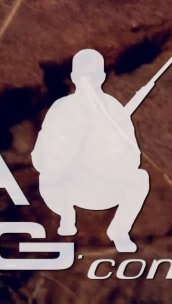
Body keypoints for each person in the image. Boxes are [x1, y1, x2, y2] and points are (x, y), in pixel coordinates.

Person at [33, 48, 154, 254]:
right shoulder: (61, 108)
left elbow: (133, 157)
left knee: (140, 178)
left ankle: (119, 230)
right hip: (68, 188)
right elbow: (40, 154)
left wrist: (109, 147)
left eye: (93, 76)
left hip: (104, 185)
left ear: (102, 77)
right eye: (83, 76)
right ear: (73, 78)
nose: (88, 81)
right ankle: (66, 216)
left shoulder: (113, 108)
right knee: (47, 177)